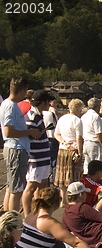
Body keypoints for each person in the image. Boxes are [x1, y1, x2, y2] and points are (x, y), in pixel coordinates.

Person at [0, 78, 41, 212]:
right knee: (17, 190)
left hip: (15, 148)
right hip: (15, 149)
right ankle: (14, 222)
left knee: (11, 187)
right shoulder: (11, 106)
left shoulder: (8, 104)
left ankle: (8, 218)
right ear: (22, 90)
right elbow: (8, 131)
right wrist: (30, 131)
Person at [22, 90, 54, 218]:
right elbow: (29, 136)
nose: (50, 104)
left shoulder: (37, 115)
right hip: (36, 159)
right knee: (30, 187)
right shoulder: (31, 116)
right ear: (43, 102)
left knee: (42, 188)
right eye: (48, 101)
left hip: (42, 158)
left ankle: (37, 213)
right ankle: (27, 216)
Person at [54, 99, 84, 205]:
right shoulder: (77, 120)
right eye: (80, 108)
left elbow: (56, 134)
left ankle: (63, 199)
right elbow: (79, 138)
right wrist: (80, 153)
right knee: (74, 176)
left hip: (63, 149)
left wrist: (64, 142)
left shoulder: (62, 118)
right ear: (76, 108)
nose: (81, 111)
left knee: (62, 175)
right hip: (73, 150)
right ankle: (72, 200)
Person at [81, 97, 102, 174]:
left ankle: (87, 183)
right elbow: (98, 133)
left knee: (87, 166)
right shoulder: (96, 117)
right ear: (98, 107)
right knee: (98, 167)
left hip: (86, 143)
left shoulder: (84, 116)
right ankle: (97, 184)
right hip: (95, 144)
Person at [43, 100, 59, 185]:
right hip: (52, 139)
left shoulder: (41, 113)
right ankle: (55, 182)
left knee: (46, 163)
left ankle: (47, 183)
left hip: (44, 138)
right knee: (54, 163)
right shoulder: (51, 114)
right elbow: (56, 126)